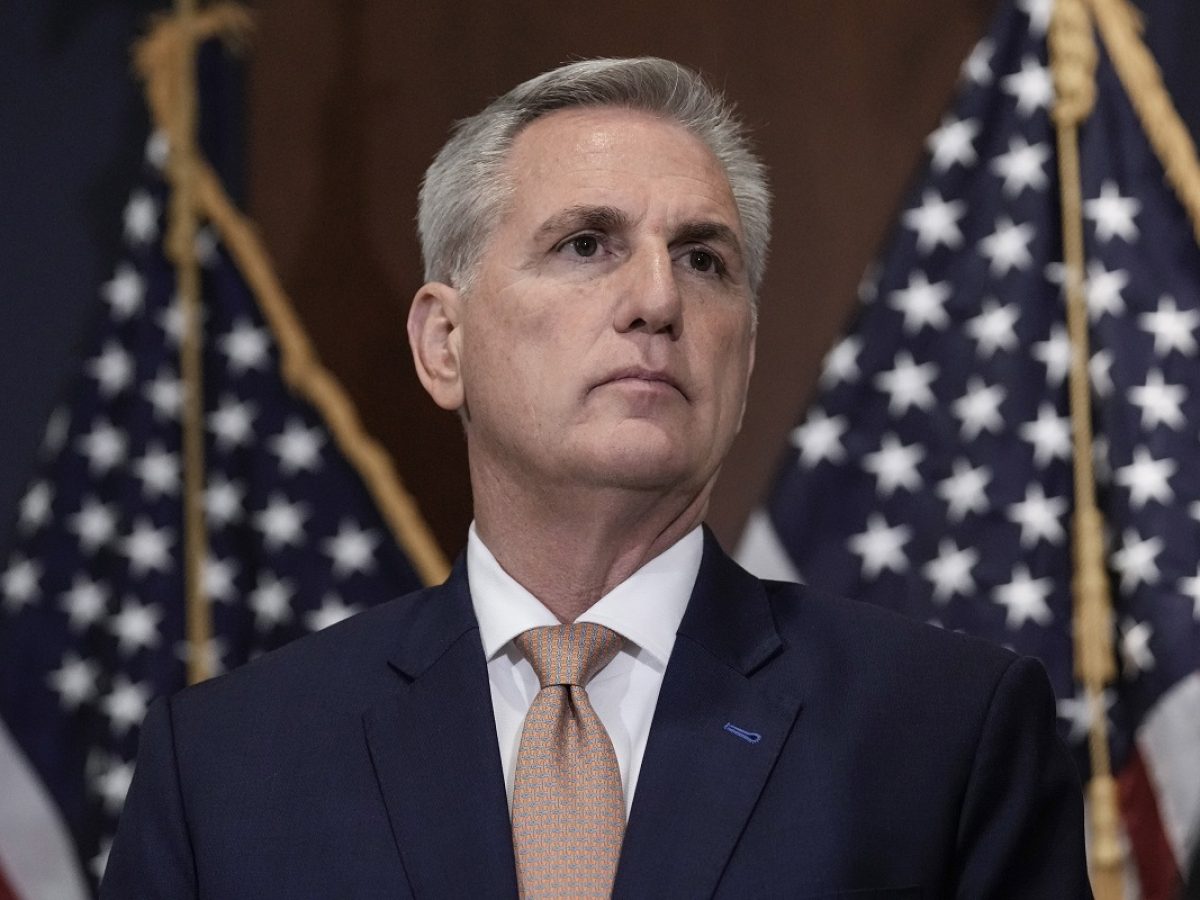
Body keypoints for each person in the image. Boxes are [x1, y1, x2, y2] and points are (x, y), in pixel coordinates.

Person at [102, 57, 1092, 898]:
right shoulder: (227, 766)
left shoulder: (944, 734)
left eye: (703, 261)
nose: (657, 299)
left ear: (745, 356)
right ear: (444, 344)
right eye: (586, 245)